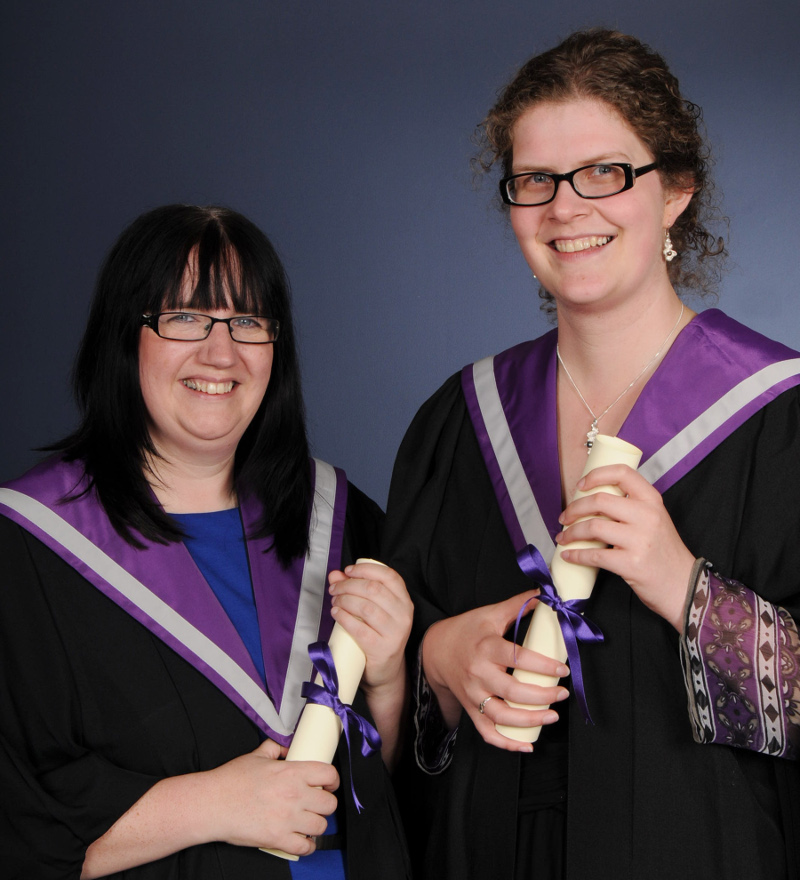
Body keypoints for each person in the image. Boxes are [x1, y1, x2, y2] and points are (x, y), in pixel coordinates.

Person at [383, 29, 800, 880]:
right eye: (535, 180)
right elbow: (383, 684)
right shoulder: (461, 423)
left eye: (605, 173)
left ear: (676, 189)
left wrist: (683, 584)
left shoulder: (780, 417)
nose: (566, 208)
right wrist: (436, 658)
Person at [0, 204, 412, 879]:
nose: (221, 353)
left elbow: (395, 795)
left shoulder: (343, 521)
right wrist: (211, 805)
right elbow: (16, 822)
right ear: (124, 336)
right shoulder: (28, 550)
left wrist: (392, 677)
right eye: (185, 316)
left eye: (248, 321)